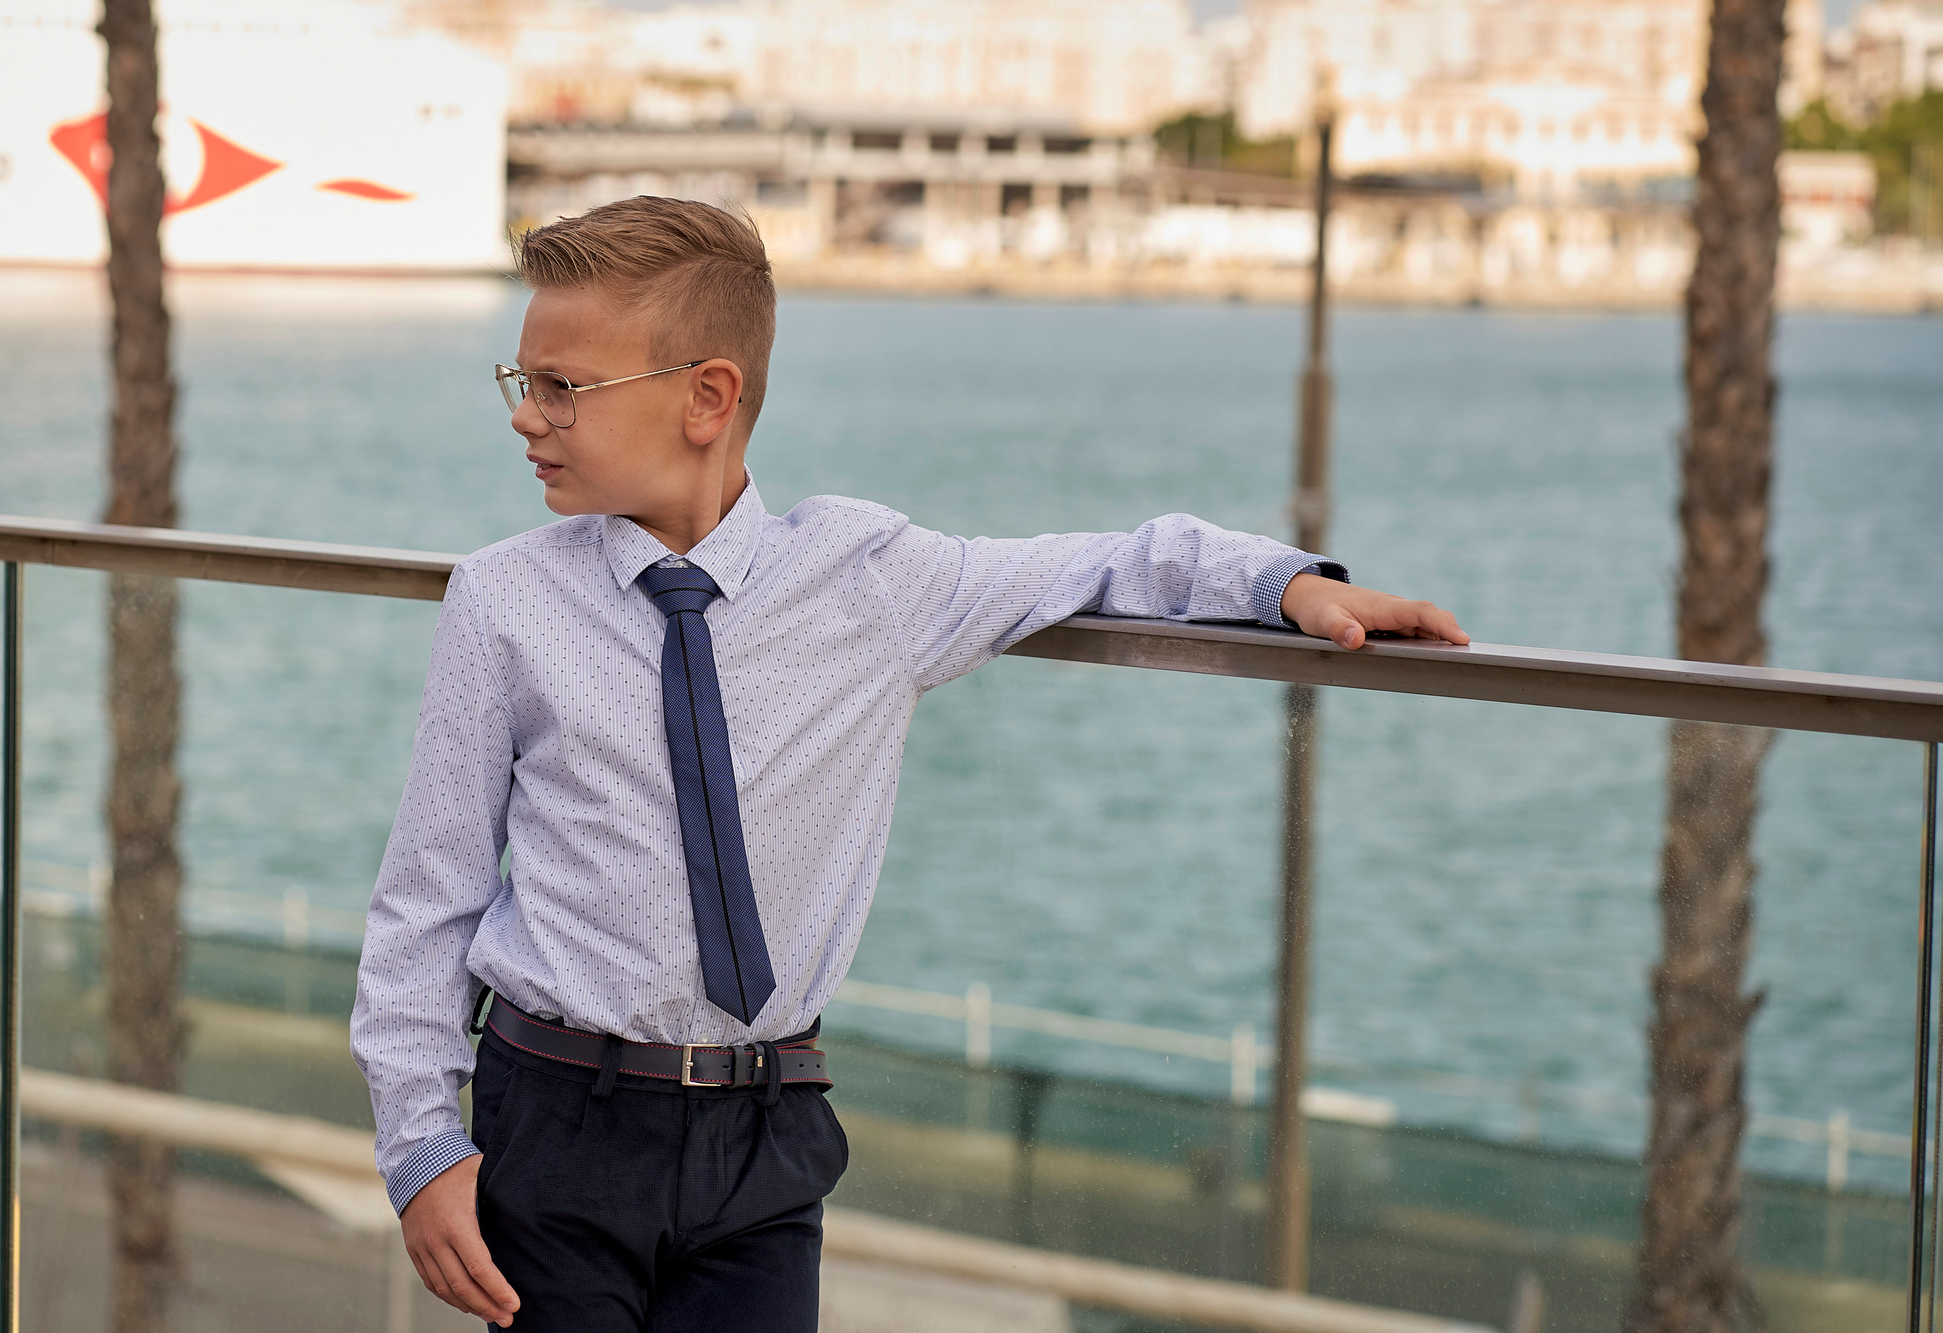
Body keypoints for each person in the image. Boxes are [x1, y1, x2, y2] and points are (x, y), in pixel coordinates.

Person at [349, 196, 1465, 1331]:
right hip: (554, 1121)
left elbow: (1102, 563)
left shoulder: (867, 578)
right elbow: (429, 894)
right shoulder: (502, 600)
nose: (526, 415)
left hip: (766, 1138)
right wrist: (421, 1144)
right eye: (522, 380)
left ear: (707, 397)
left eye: (562, 387)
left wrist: (1283, 583)